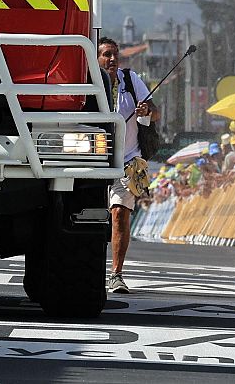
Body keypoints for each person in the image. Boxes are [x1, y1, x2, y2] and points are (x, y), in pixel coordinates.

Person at [99, 36, 156, 295]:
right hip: (93, 160)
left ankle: (117, 274)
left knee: (120, 213)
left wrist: (146, 111)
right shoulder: (88, 80)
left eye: (115, 54)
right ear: (95, 58)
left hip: (127, 160)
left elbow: (156, 112)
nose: (112, 59)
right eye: (106, 54)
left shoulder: (131, 80)